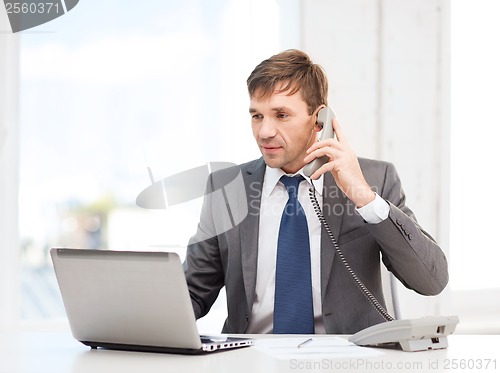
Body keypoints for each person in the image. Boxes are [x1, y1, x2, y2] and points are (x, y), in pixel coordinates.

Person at [183, 49, 448, 334]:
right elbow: (192, 293)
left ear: (319, 118)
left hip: (346, 360)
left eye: (281, 115)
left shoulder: (375, 179)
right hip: (252, 358)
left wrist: (365, 198)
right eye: (257, 116)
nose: (264, 132)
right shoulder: (227, 188)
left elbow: (431, 281)